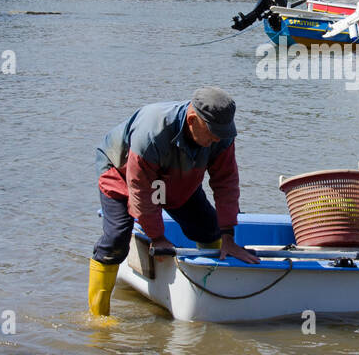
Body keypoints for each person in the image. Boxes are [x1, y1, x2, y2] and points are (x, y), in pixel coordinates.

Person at [88, 86, 259, 315]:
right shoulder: (152, 132)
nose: (217, 138)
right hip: (121, 171)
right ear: (192, 120)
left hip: (178, 176)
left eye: (222, 132)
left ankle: (210, 295)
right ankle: (99, 317)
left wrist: (228, 236)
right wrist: (157, 237)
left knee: (209, 230)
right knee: (116, 238)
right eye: (212, 132)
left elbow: (226, 183)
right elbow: (140, 189)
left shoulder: (222, 138)